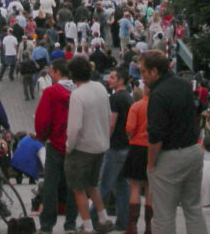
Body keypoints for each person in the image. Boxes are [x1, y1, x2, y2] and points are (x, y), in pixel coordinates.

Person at [141, 49, 208, 234]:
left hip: (169, 156)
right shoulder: (184, 85)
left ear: (154, 71)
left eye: (144, 72)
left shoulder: (158, 94)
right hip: (192, 150)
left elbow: (155, 134)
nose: (142, 77)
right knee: (194, 209)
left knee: (163, 214)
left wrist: (151, 163)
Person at [65, 55, 114, 234]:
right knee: (92, 185)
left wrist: (69, 146)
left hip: (82, 148)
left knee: (78, 189)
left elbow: (75, 127)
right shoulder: (100, 87)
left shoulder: (77, 95)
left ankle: (87, 226)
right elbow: (108, 114)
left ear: (72, 74)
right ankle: (103, 218)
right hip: (100, 145)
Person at [34, 56, 78, 234]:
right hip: (75, 143)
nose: (50, 75)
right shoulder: (78, 91)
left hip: (55, 142)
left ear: (58, 73)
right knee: (73, 185)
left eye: (51, 72)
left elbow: (42, 119)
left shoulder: (51, 92)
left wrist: (41, 137)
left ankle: (47, 225)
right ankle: (71, 224)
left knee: (51, 185)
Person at [97, 66, 132, 231]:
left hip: (115, 147)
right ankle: (123, 221)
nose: (108, 80)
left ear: (121, 81)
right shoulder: (129, 98)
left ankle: (94, 219)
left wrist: (104, 141)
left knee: (104, 184)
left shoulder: (115, 99)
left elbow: (111, 123)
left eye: (112, 77)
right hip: (126, 146)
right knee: (122, 186)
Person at [124, 82, 151, 234]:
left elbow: (129, 129)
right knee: (149, 187)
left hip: (136, 147)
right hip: (153, 148)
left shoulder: (136, 106)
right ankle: (149, 226)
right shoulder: (158, 107)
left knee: (135, 186)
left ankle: (132, 226)